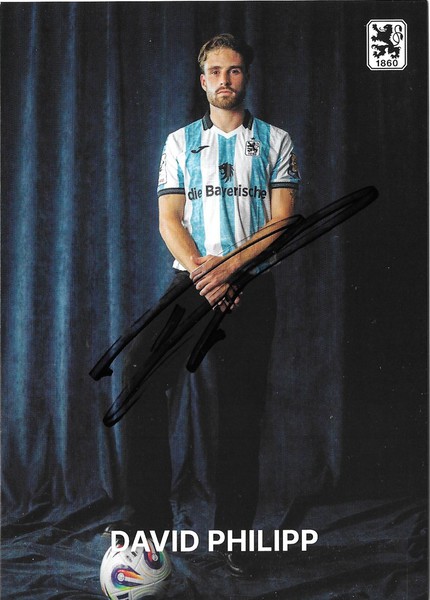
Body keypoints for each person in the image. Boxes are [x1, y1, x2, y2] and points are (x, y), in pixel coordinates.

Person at [122, 33, 300, 577]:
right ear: (202, 81)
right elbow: (169, 220)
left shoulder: (276, 140)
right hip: (193, 283)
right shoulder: (179, 143)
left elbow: (283, 220)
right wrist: (205, 272)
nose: (225, 79)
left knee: (240, 413)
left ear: (246, 77)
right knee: (137, 378)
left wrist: (231, 269)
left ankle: (235, 538)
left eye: (235, 70)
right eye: (216, 71)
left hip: (251, 286)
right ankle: (147, 529)